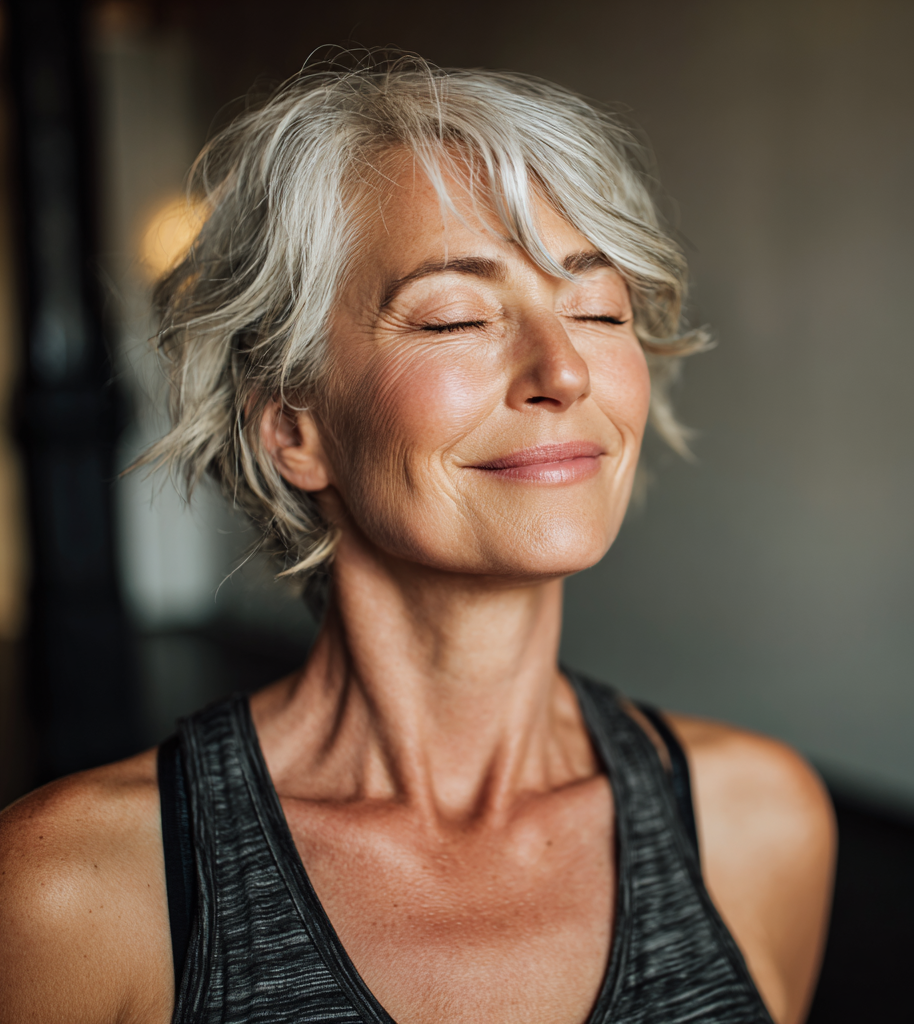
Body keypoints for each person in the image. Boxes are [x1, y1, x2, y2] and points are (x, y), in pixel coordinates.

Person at [0, 57, 835, 1024]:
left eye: (599, 309)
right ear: (293, 428)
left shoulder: (757, 825)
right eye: (457, 316)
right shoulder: (74, 896)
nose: (562, 369)